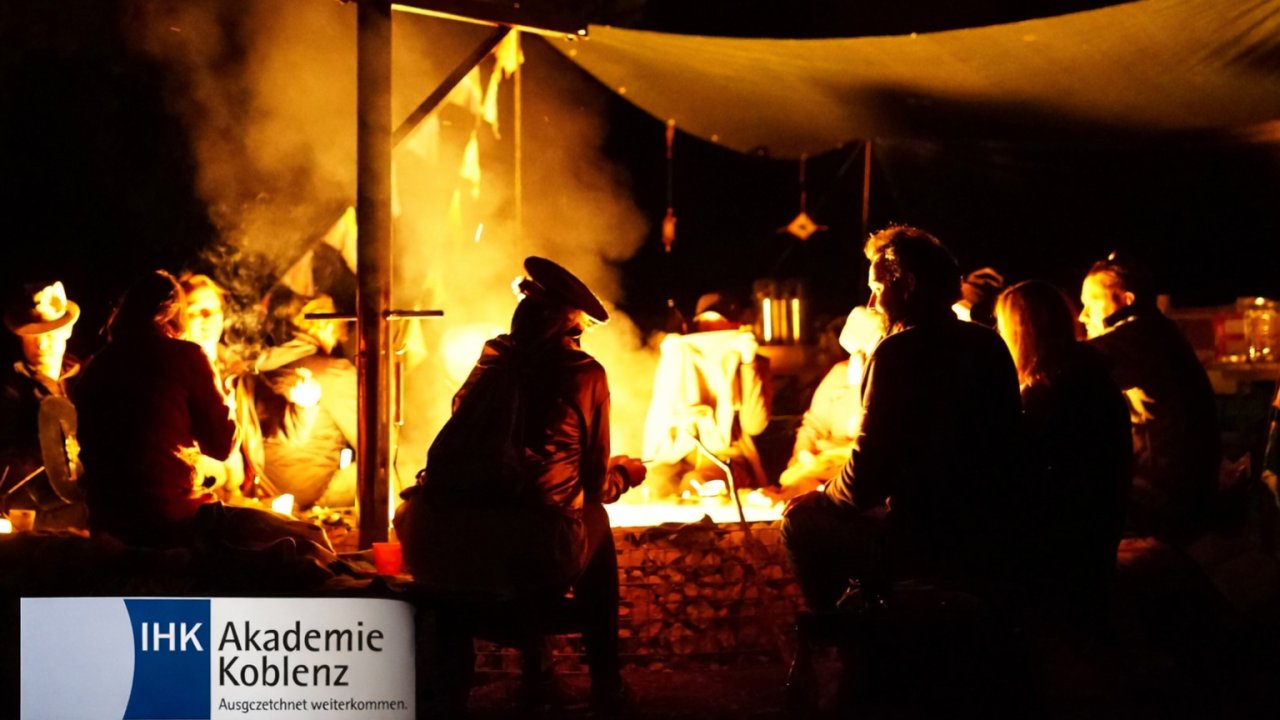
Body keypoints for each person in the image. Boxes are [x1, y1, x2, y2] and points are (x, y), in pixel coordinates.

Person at [395, 256, 646, 714]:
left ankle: (540, 674)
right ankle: (606, 685)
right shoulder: (584, 373)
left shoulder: (492, 361)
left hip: (436, 541)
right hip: (523, 554)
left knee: (524, 516)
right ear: (572, 327)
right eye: (580, 328)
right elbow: (593, 486)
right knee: (591, 523)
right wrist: (625, 473)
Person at [781, 226, 1024, 614]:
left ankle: (842, 635)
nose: (872, 301)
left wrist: (824, 496)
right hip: (990, 527)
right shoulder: (987, 343)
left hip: (922, 536)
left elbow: (867, 472)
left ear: (908, 284)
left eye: (878, 287)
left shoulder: (897, 352)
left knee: (799, 523)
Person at [994, 279, 1132, 626]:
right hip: (1095, 540)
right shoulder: (1087, 375)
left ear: (1020, 331)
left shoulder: (1051, 392)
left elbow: (1014, 474)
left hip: (1064, 554)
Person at [75, 271, 239, 547]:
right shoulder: (186, 356)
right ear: (177, 314)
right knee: (291, 535)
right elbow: (222, 446)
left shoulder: (96, 368)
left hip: (107, 522)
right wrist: (228, 403)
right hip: (173, 520)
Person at [1079, 252, 1221, 545]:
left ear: (1127, 300)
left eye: (1090, 303)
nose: (1082, 316)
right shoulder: (1157, 332)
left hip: (1162, 499)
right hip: (1184, 489)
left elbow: (1056, 370)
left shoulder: (1135, 339)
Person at [642, 291, 772, 497]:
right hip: (680, 452)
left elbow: (755, 425)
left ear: (734, 325)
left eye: (719, 322)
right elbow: (660, 412)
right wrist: (672, 362)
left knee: (696, 484)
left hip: (726, 458)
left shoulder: (753, 362)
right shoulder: (681, 354)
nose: (711, 329)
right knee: (655, 484)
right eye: (705, 322)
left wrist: (749, 364)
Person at [254, 291, 358, 510]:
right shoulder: (334, 374)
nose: (342, 337)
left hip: (262, 497)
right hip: (318, 503)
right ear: (326, 326)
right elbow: (376, 448)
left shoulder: (261, 369)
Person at [0, 281, 86, 527]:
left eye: (49, 332)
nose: (40, 344)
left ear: (67, 331)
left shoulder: (87, 379)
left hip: (90, 498)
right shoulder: (10, 389)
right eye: (31, 334)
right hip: (34, 510)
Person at [780, 305, 885, 494]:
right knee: (799, 494)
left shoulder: (892, 380)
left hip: (862, 474)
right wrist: (804, 452)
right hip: (823, 468)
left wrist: (842, 450)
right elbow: (813, 424)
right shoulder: (840, 374)